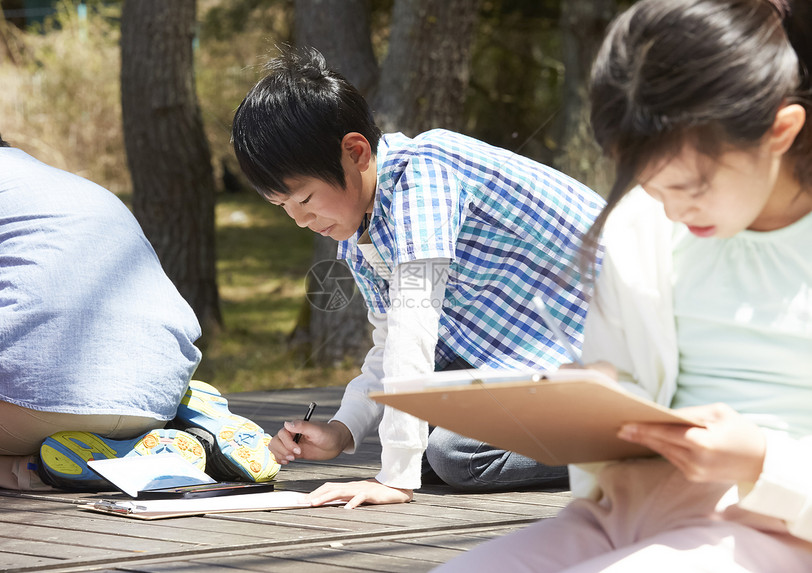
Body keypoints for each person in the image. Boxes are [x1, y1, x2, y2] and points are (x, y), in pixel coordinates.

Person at [435, 0, 812, 570]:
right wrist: (591, 396)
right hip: (620, 510)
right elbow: (631, 381)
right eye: (651, 184)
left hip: (778, 521)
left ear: (780, 130)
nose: (672, 207)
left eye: (691, 185)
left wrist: (761, 460)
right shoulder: (644, 226)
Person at [231, 48, 605, 509]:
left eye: (305, 199)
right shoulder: (360, 234)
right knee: (430, 444)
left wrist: (395, 479)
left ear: (355, 151)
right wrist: (341, 429)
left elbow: (414, 322)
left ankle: (651, 437)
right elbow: (390, 344)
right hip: (539, 359)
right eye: (284, 208)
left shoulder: (425, 175)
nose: (301, 220)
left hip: (620, 351)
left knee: (457, 454)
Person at [0, 100, 278, 492]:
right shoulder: (68, 183)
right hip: (156, 393)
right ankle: (166, 432)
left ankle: (30, 470)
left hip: (29, 401)